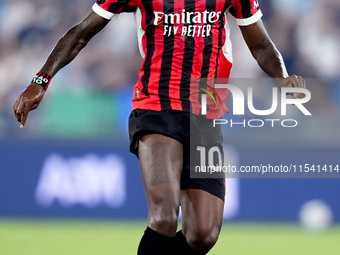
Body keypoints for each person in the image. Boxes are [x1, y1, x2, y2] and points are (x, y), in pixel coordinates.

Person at [13, 0, 306, 254]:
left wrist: (282, 77)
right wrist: (40, 81)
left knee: (204, 234)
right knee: (165, 216)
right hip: (156, 108)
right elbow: (81, 33)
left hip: (205, 116)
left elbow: (260, 43)